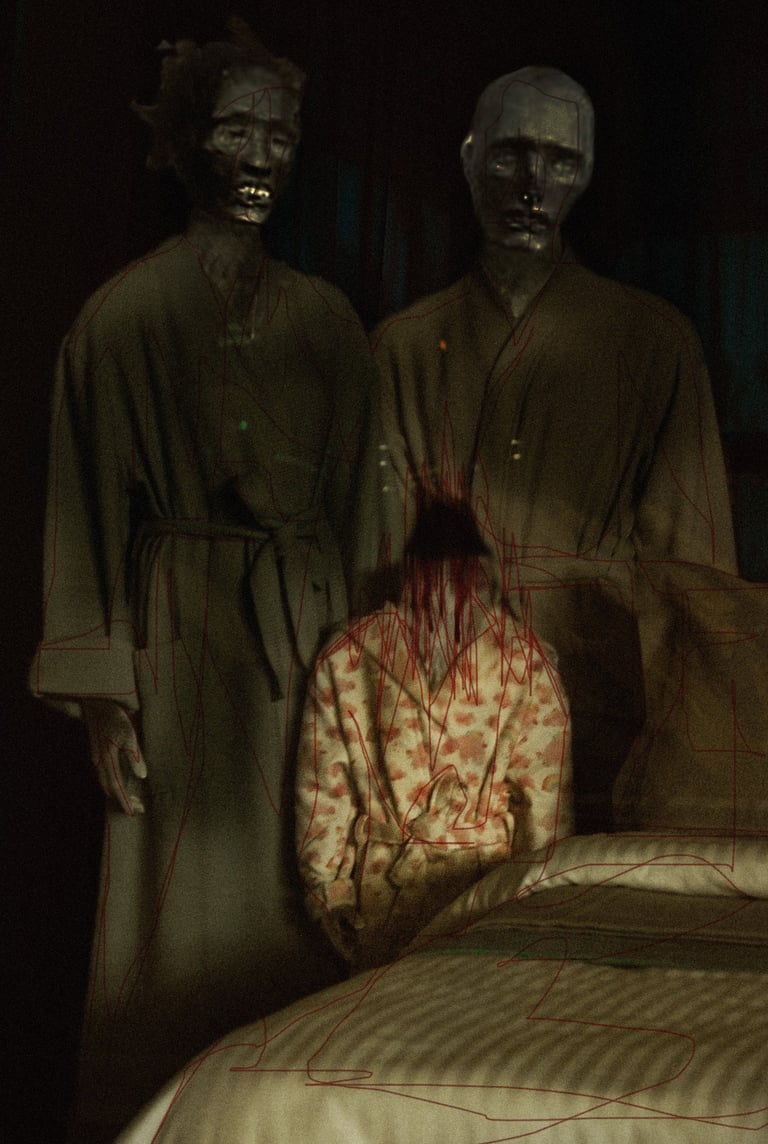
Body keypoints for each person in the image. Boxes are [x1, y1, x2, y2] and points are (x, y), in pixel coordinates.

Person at [31, 20, 378, 1141]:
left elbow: (362, 512)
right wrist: (103, 696)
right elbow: (85, 508)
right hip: (177, 644)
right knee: (171, 913)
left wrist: (367, 673)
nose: (261, 157)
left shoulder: (328, 323)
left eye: (280, 135)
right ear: (188, 145)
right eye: (234, 130)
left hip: (306, 642)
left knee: (304, 891)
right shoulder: (122, 316)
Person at [373, 67, 737, 831]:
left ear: (588, 173)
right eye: (509, 153)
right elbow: (372, 554)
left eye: (561, 160)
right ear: (470, 157)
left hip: (601, 686)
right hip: (445, 690)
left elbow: (693, 562)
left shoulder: (652, 340)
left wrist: (685, 739)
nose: (532, 183)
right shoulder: (403, 346)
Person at [296, 498, 572, 970]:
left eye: (457, 578)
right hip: (385, 887)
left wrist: (539, 897)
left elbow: (546, 793)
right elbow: (324, 786)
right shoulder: (350, 656)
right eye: (435, 578)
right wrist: (327, 890)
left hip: (486, 889)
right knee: (393, 1007)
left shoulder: (526, 662)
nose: (444, 595)